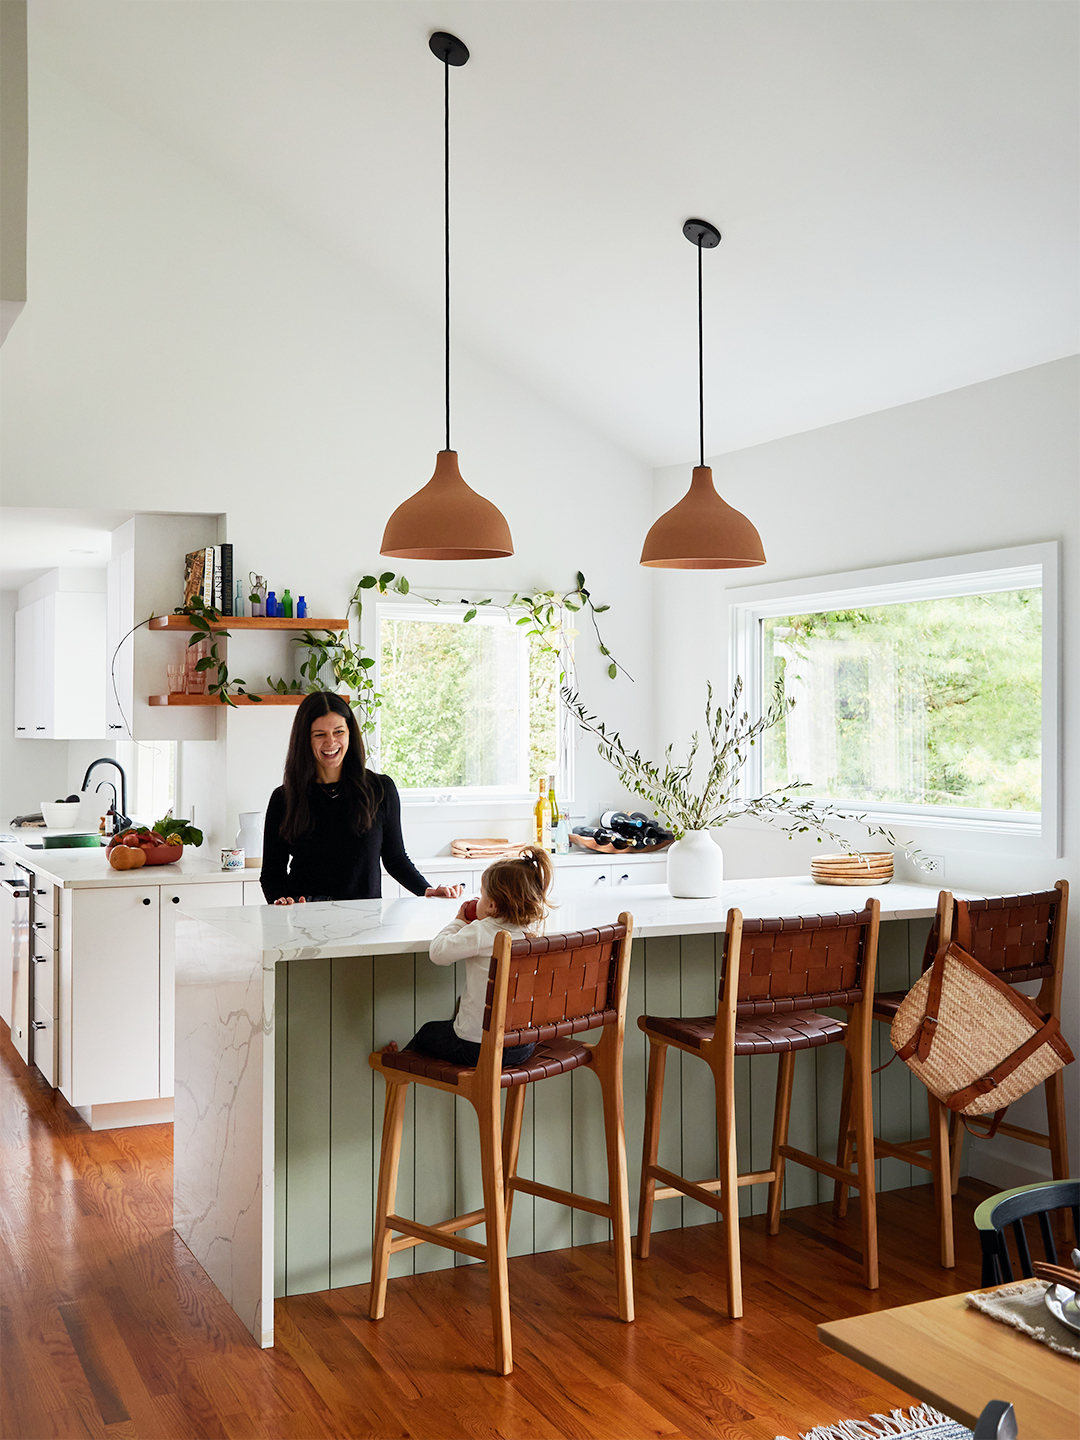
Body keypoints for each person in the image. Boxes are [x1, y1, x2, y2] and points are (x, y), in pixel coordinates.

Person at [260, 691, 462, 904]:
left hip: (366, 917)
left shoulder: (381, 789)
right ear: (305, 739)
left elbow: (395, 859)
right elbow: (272, 872)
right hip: (304, 915)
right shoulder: (284, 798)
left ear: (350, 733)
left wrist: (426, 889)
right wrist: (281, 902)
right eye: (319, 734)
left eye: (338, 731)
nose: (330, 742)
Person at [389, 846, 554, 1067]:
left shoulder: (482, 931)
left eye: (482, 894)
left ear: (493, 905)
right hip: (523, 1047)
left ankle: (397, 1067)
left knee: (428, 1032)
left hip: (477, 1048)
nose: (478, 899)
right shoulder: (532, 934)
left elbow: (438, 953)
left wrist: (458, 921)